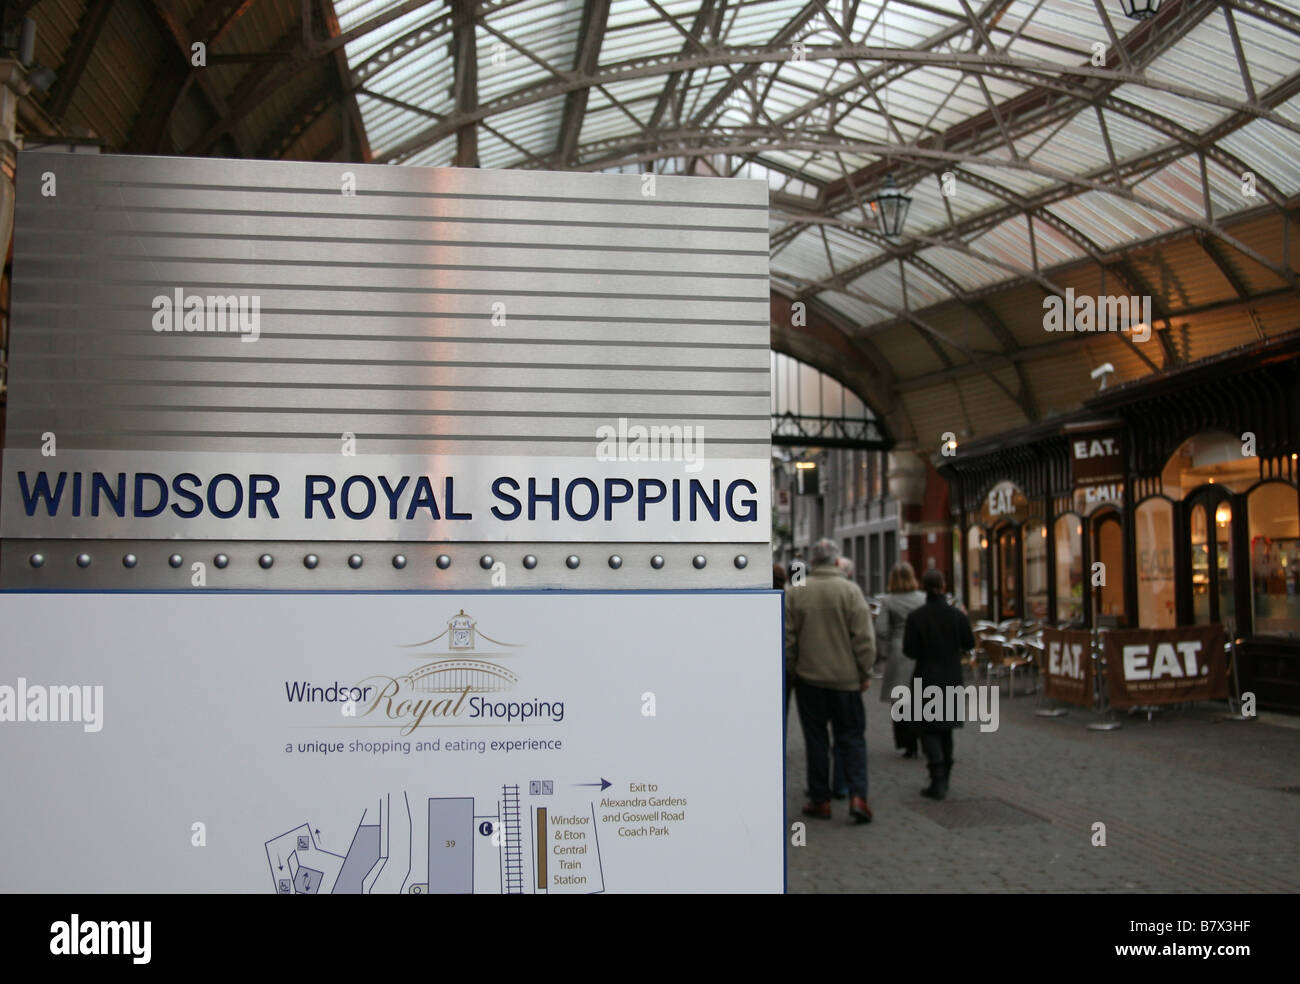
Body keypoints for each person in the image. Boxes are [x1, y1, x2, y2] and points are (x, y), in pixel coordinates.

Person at [785, 538, 876, 823]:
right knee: (851, 739)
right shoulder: (851, 591)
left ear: (812, 562)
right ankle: (858, 796)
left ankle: (820, 799)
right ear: (837, 562)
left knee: (816, 741)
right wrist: (865, 673)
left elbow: (788, 640)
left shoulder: (796, 593)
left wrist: (793, 669)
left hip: (809, 681)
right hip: (846, 682)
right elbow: (864, 640)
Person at [902, 568, 975, 800]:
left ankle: (938, 778)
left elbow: (909, 651)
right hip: (951, 676)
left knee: (928, 729)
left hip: (926, 677)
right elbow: (969, 643)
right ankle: (945, 775)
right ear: (944, 586)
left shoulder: (916, 617)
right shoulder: (957, 616)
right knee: (946, 729)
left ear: (923, 587)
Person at [876, 562, 926, 758]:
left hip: (899, 650)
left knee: (900, 699)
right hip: (921, 651)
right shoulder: (922, 598)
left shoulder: (888, 601)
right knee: (921, 696)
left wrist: (884, 651)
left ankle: (907, 742)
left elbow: (881, 629)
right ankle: (924, 735)